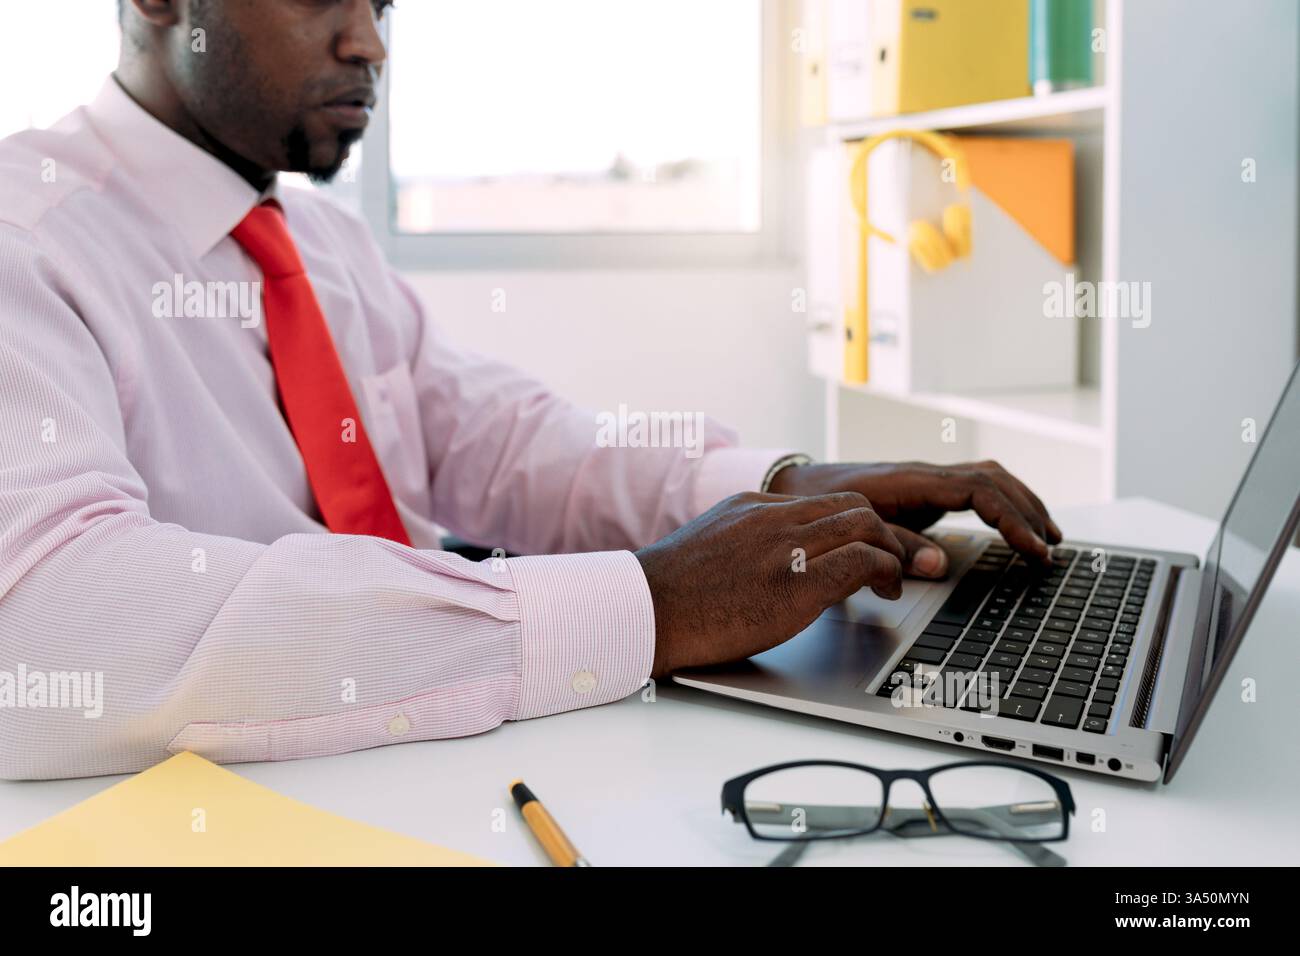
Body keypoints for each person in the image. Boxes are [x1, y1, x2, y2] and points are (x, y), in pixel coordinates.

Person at [0, 0, 1060, 779]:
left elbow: (505, 442)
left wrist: (787, 481)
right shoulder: (24, 235)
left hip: (425, 753)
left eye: (383, 5)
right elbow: (45, 625)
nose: (370, 42)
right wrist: (642, 603)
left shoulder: (322, 242)